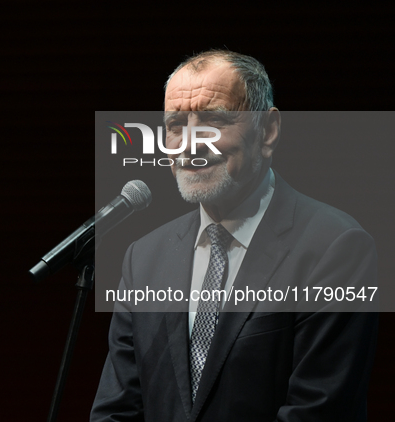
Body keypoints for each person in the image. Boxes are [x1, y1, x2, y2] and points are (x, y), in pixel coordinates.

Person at [90, 50, 378, 422]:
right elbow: (116, 410)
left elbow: (318, 412)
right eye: (177, 124)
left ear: (268, 131)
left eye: (214, 120)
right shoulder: (143, 258)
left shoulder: (336, 247)